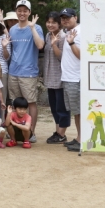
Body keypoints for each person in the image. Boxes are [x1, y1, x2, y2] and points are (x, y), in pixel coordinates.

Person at [7, 0, 44, 143]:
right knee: (16, 103)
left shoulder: (37, 27)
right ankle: (17, 133)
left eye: (25, 10)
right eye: (19, 10)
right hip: (13, 71)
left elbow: (40, 45)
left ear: (29, 12)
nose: (22, 13)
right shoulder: (13, 29)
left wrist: (33, 28)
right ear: (16, 11)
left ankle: (31, 131)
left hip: (28, 72)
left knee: (31, 102)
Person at [58, 8, 81, 152]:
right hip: (69, 77)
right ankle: (80, 137)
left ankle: (82, 139)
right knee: (76, 111)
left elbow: (82, 55)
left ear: (75, 17)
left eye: (68, 17)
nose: (65, 20)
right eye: (63, 18)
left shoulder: (80, 32)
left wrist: (72, 43)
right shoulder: (70, 32)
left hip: (76, 78)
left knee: (79, 111)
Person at [43, 11, 68, 144]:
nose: (50, 25)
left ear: (59, 24)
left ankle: (61, 133)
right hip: (49, 77)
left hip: (60, 77)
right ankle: (58, 132)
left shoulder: (63, 37)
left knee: (61, 107)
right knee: (54, 107)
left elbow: (62, 57)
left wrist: (54, 44)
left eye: (53, 22)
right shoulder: (48, 35)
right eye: (48, 22)